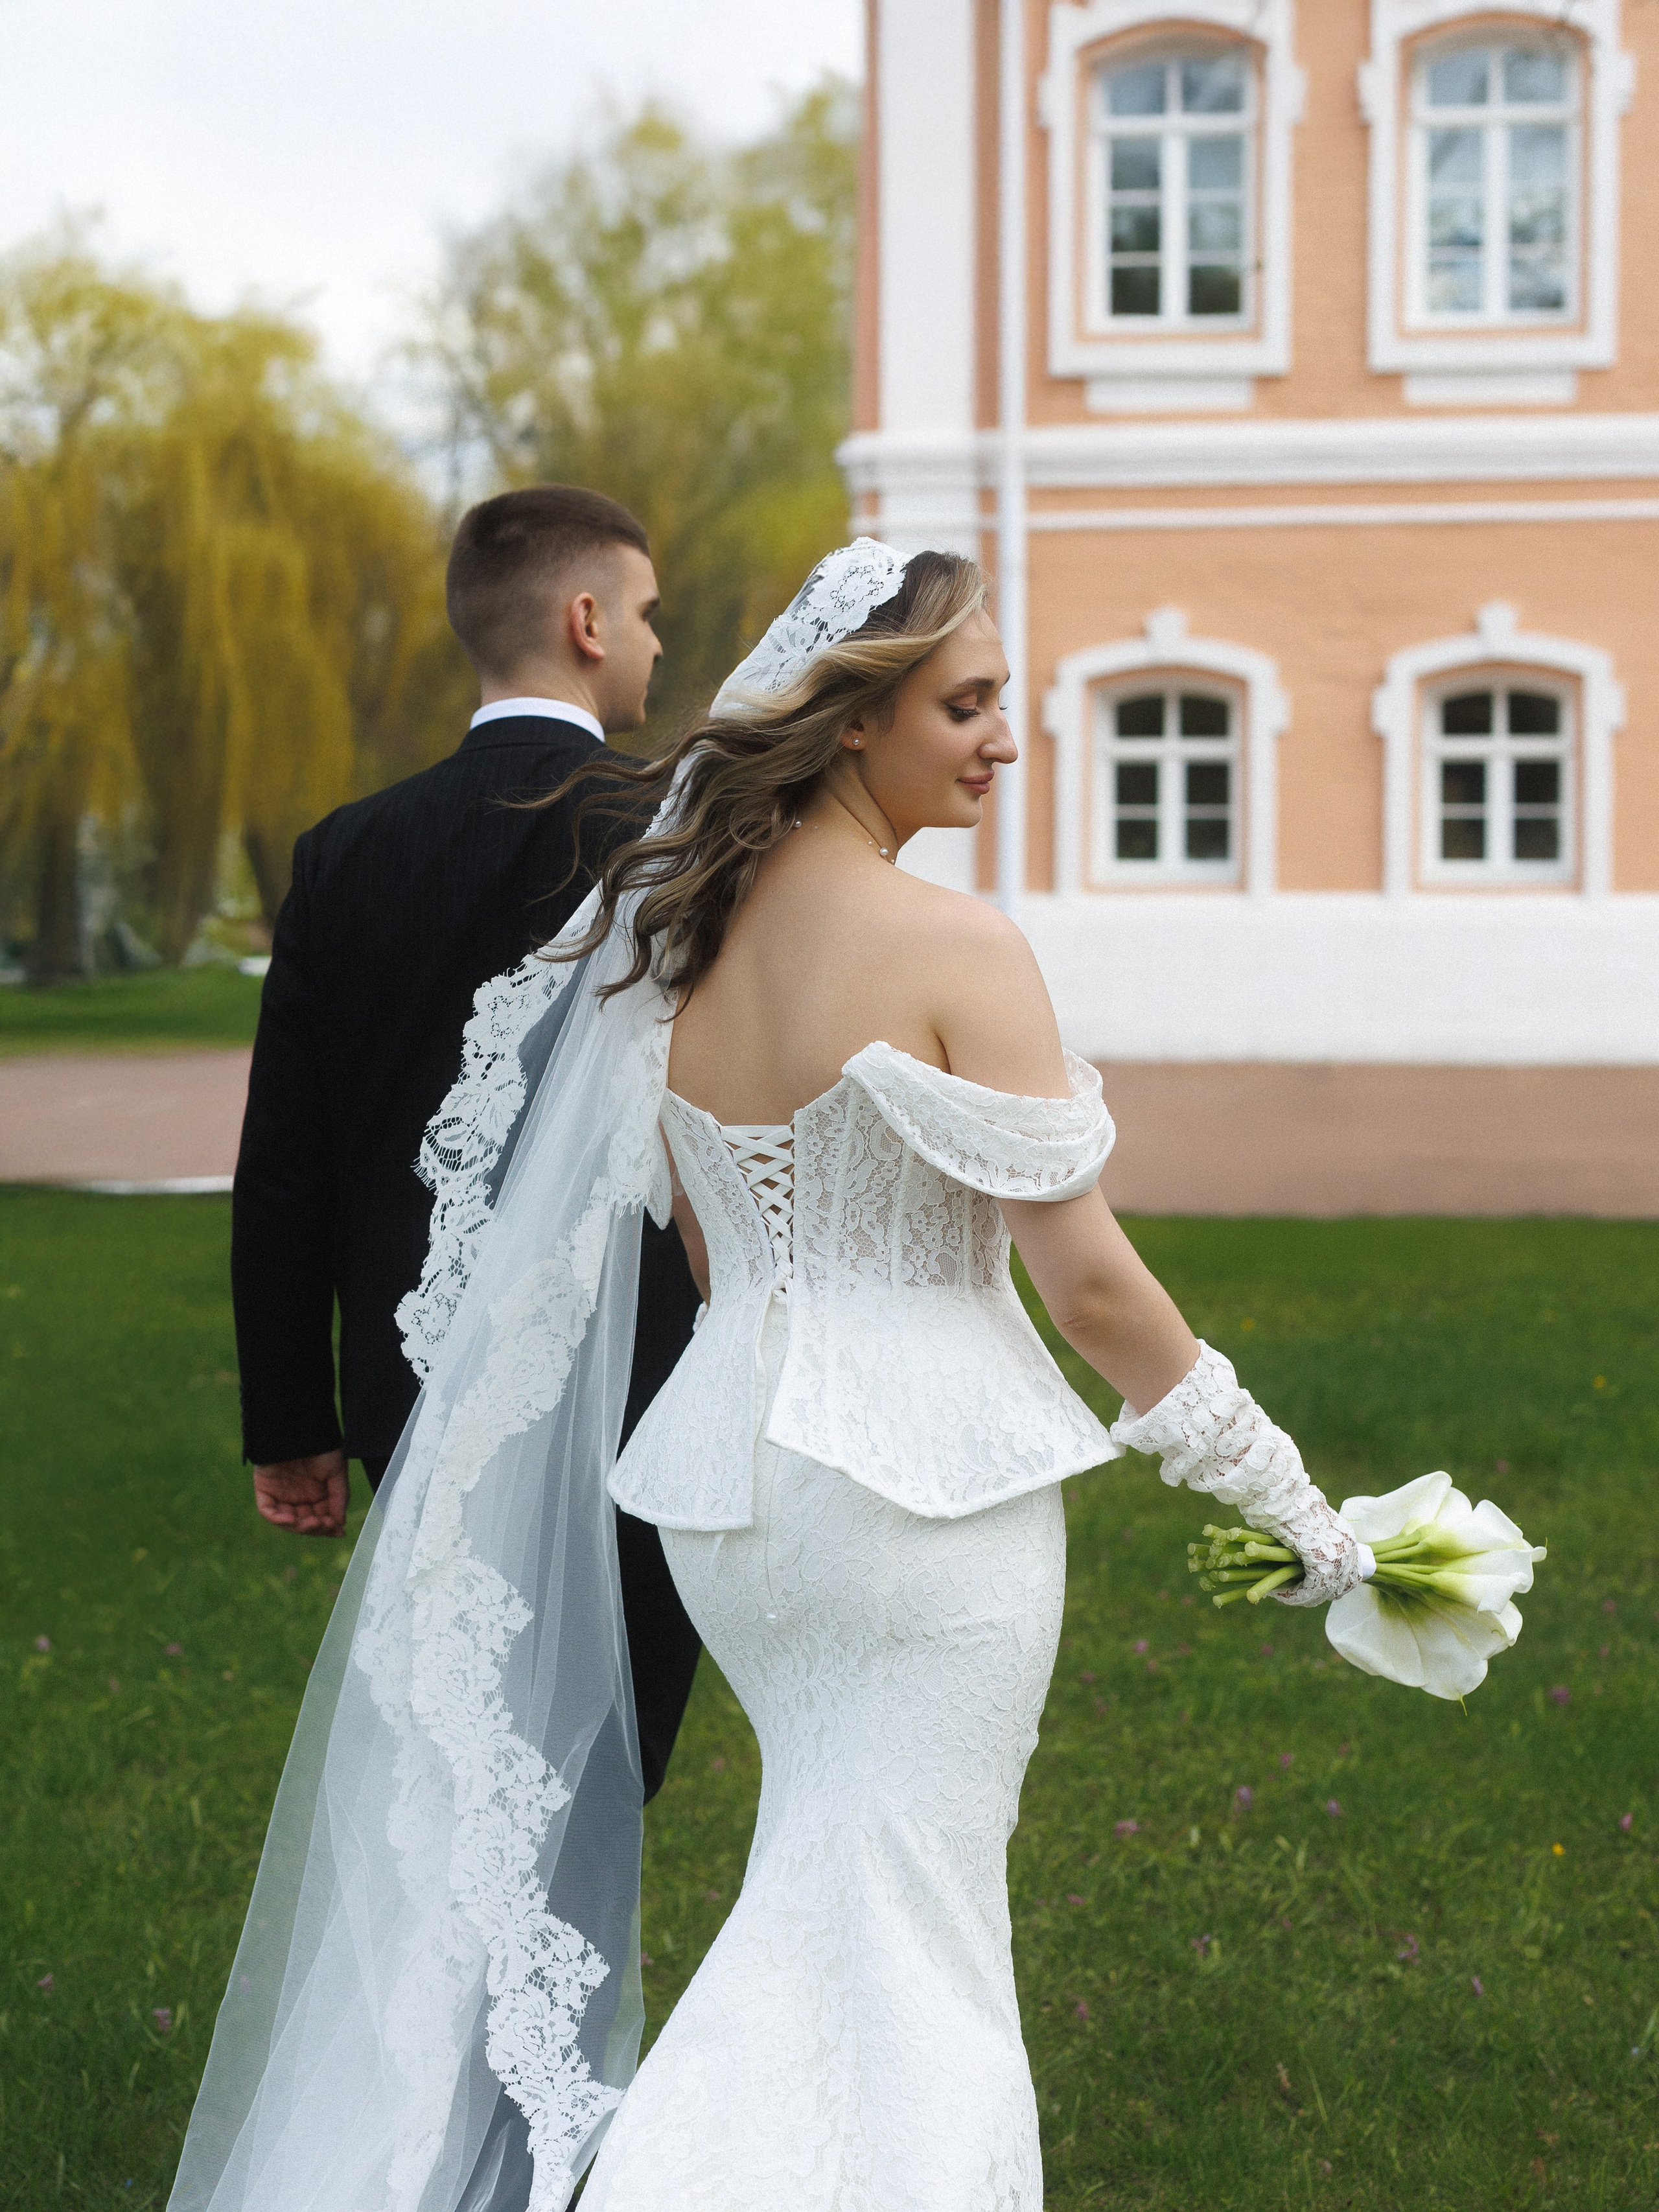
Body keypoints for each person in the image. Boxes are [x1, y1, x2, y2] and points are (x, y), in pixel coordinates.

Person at [174, 541, 1371, 2212]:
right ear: (850, 720)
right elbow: (1088, 1283)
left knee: (827, 1891)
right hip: (922, 1507)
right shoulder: (956, 949)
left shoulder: (671, 952)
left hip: (735, 1500)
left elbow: (704, 1259)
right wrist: (1300, 1511)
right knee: (919, 1926)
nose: (1000, 741)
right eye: (963, 706)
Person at [229, 482, 704, 1803]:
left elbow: (288, 1165)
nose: (660, 647)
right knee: (604, 1772)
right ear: (587, 619)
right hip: (643, 1373)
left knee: (463, 1758)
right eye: (650, 616)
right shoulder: (678, 841)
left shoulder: (345, 855)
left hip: (412, 1380)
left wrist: (291, 1421)